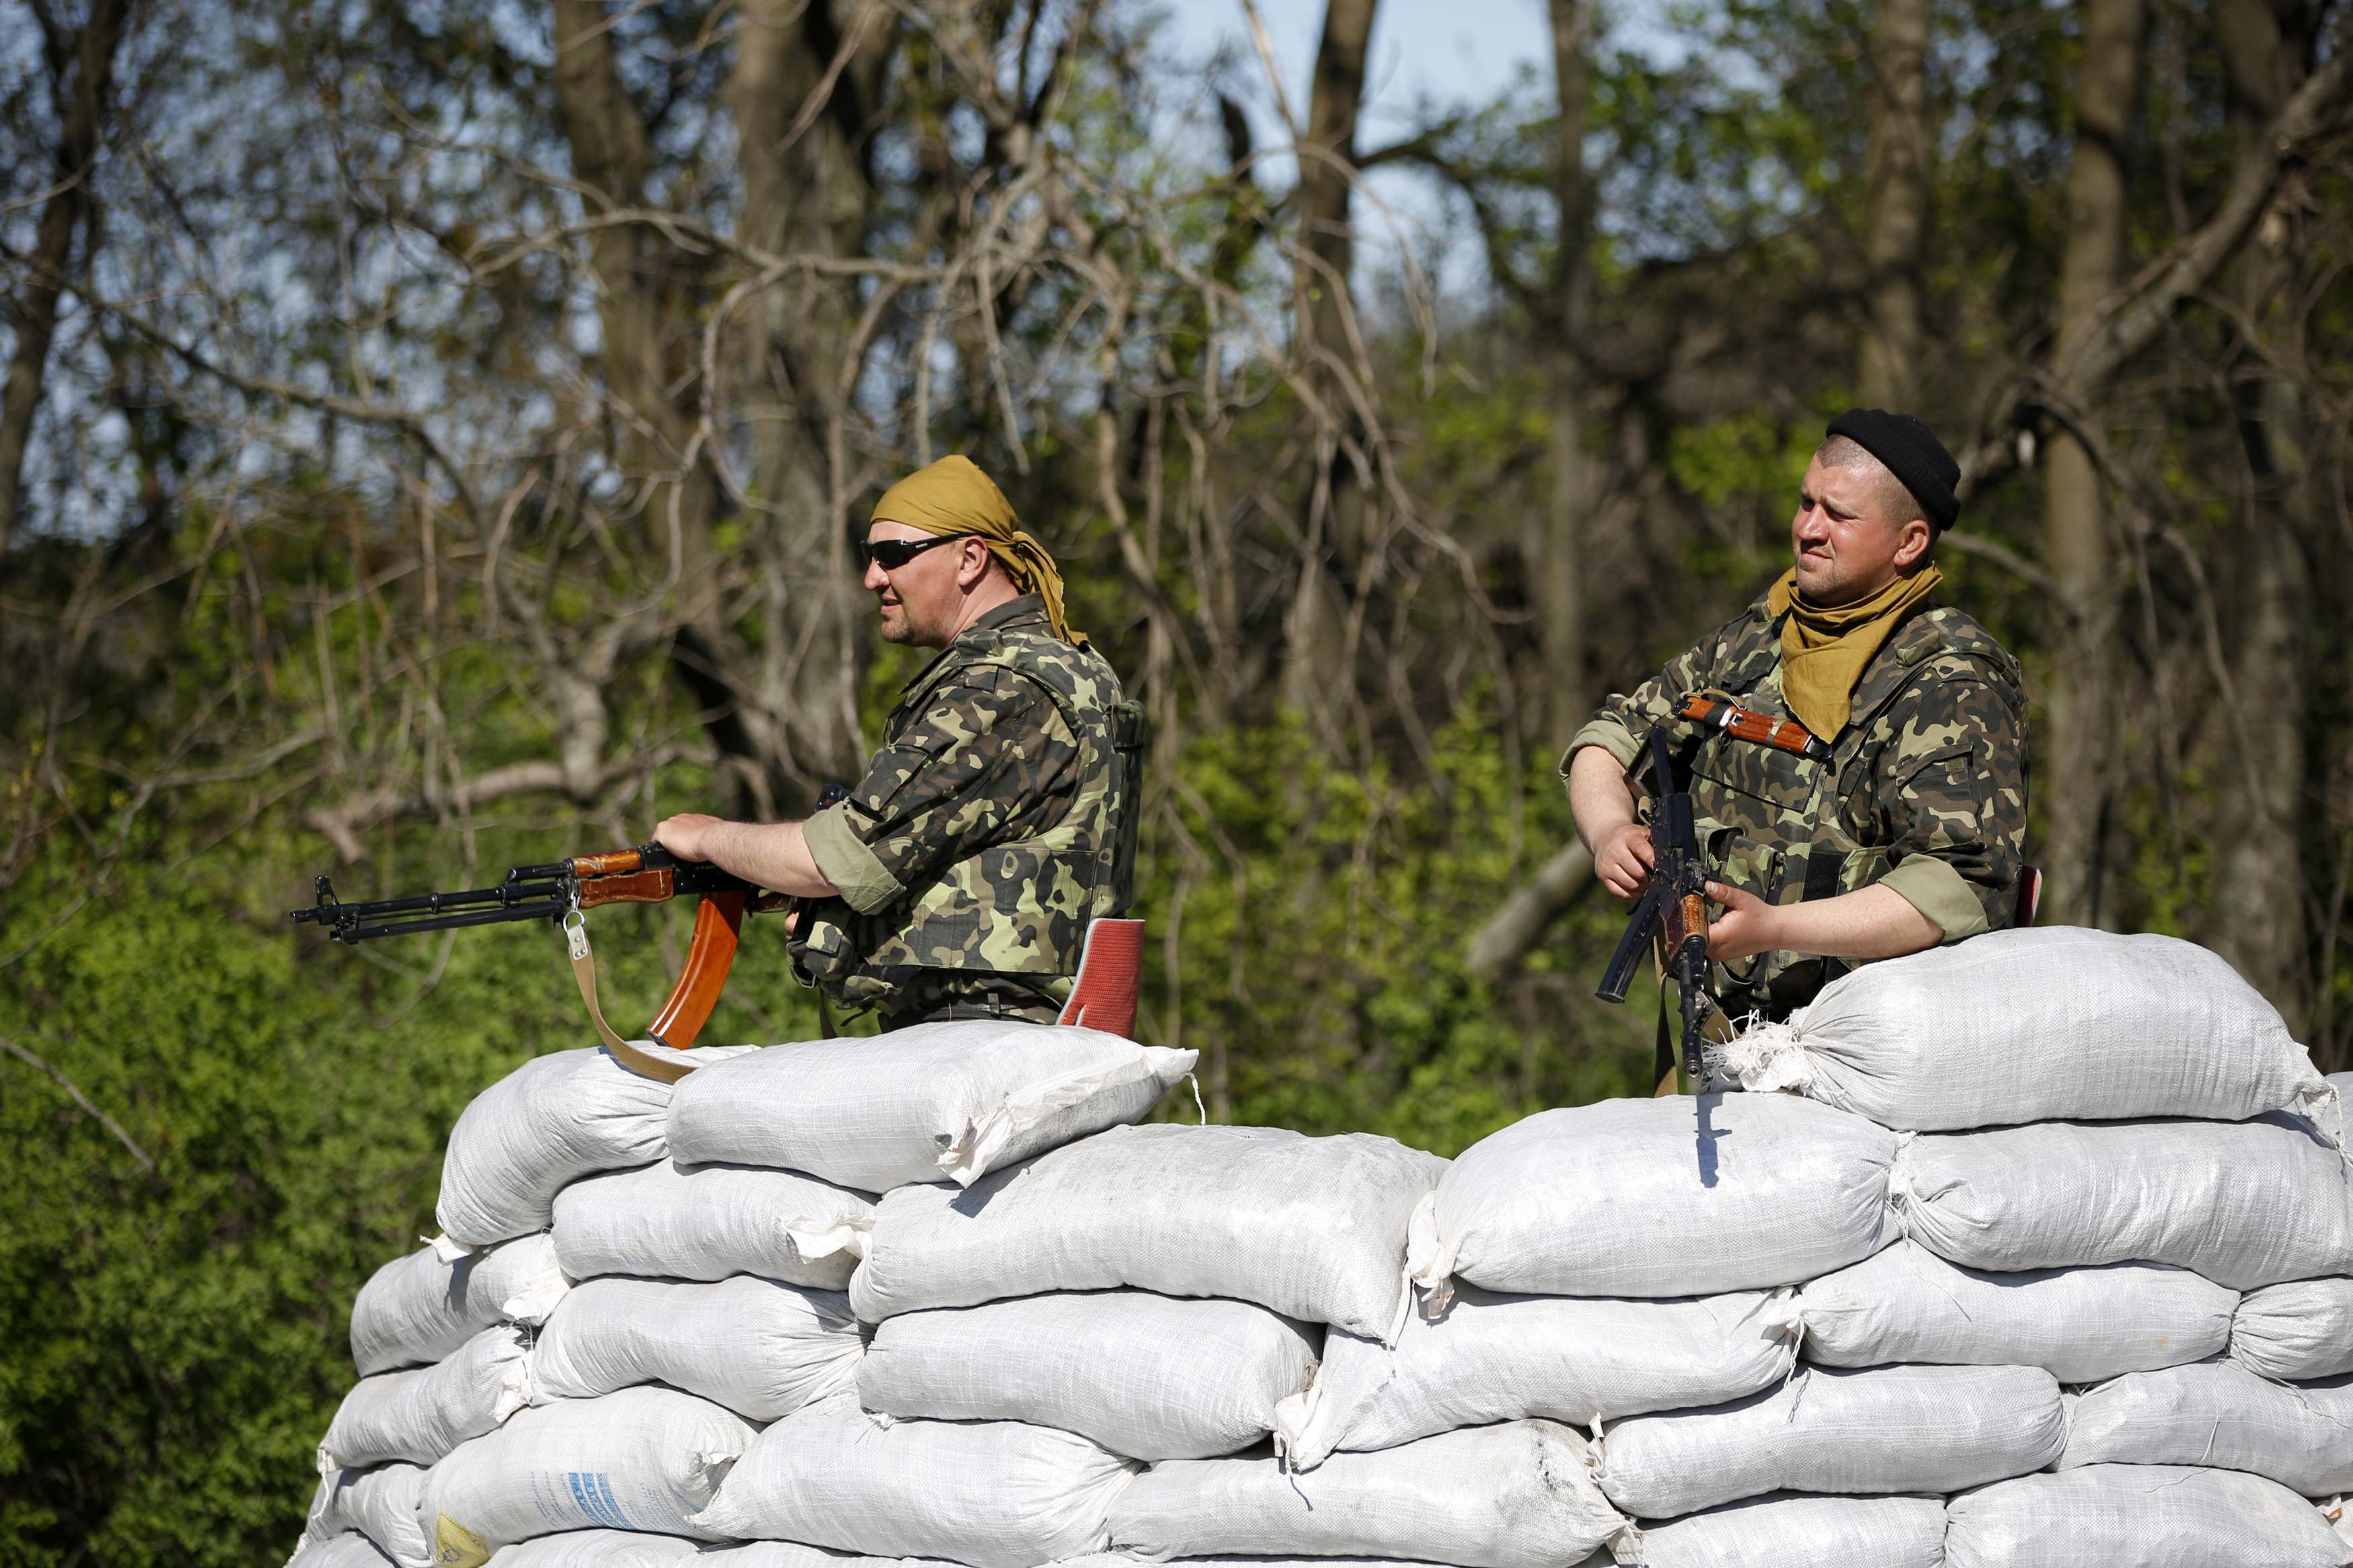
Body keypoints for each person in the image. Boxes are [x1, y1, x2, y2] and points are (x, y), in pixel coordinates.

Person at [1564, 409, 2028, 1024]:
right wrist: (1609, 834)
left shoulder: (1950, 679)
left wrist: (1775, 927)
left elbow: (1963, 886)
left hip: (1854, 1049)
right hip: (1712, 1030)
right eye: (1806, 503)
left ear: (1909, 542)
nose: (1809, 528)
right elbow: (1613, 735)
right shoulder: (1762, 634)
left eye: (1838, 515)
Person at [653, 454, 1134, 1029]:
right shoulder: (1070, 668)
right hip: (1018, 1025)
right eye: (869, 555)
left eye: (893, 556)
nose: (872, 577)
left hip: (980, 1029)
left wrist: (708, 836)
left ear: (971, 558)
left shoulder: (1002, 686)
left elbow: (839, 857)